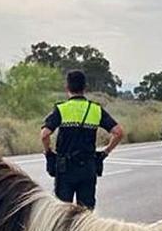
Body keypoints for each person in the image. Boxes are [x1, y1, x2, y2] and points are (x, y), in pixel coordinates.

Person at [40, 70, 125, 209]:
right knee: (85, 215)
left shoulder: (61, 109)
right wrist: (105, 152)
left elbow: (44, 134)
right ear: (85, 88)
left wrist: (48, 152)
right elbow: (119, 132)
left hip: (65, 169)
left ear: (67, 87)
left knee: (62, 212)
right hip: (88, 168)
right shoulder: (96, 109)